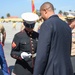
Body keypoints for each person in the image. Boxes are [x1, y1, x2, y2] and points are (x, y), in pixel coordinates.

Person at [33, 2, 73, 75]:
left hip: (52, 70)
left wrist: (37, 73)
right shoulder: (66, 25)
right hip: (66, 69)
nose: (41, 17)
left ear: (45, 11)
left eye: (41, 14)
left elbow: (42, 54)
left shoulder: (47, 25)